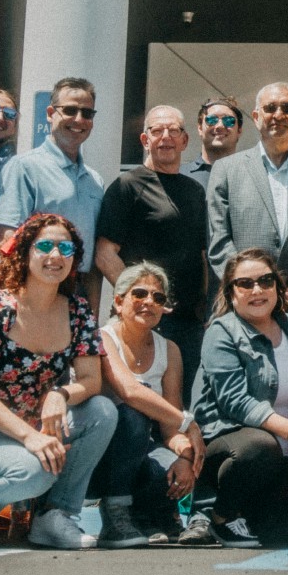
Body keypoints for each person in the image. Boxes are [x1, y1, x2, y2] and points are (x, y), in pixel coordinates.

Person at [0, 213, 118, 550]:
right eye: (44, 246)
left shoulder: (77, 309)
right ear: (25, 253)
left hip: (33, 426)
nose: (55, 256)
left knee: (101, 411)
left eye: (64, 248)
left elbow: (90, 380)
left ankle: (55, 516)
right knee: (36, 471)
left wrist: (60, 393)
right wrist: (30, 437)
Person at [190, 248, 288, 548]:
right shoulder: (221, 332)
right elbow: (237, 402)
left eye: (265, 281)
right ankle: (218, 517)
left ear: (277, 287)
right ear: (231, 292)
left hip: (284, 453)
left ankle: (248, 512)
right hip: (232, 443)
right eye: (245, 284)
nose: (257, 290)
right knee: (259, 448)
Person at [95, 104, 210, 404]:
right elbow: (105, 254)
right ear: (145, 140)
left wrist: (206, 307)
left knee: (181, 404)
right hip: (144, 320)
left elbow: (201, 255)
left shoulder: (195, 191)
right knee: (140, 406)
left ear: (185, 141)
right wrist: (142, 300)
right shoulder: (126, 187)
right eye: (157, 131)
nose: (166, 137)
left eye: (173, 130)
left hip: (188, 322)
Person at [90, 261, 204, 547]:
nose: (148, 302)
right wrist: (187, 423)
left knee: (171, 465)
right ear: (118, 301)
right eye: (139, 294)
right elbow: (130, 392)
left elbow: (169, 427)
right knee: (132, 416)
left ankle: (156, 516)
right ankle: (115, 513)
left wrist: (185, 456)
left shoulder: (169, 349)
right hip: (98, 454)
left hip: (142, 449)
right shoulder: (102, 338)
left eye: (158, 297)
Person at [0, 77, 105, 306]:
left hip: (78, 294)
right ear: (50, 113)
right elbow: (5, 239)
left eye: (87, 113)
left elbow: (92, 260)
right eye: (70, 110)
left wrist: (91, 313)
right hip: (35, 291)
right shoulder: (24, 167)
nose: (79, 119)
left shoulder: (95, 180)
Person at [207, 82, 288, 314]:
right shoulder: (226, 170)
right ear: (256, 117)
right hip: (241, 305)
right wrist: (248, 285)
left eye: (287, 108)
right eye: (270, 108)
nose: (278, 115)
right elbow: (218, 242)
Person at [186, 96, 244, 190]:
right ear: (200, 128)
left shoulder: (253, 176)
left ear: (239, 131)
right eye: (211, 120)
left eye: (229, 121)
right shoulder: (179, 175)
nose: (220, 126)